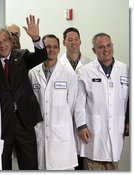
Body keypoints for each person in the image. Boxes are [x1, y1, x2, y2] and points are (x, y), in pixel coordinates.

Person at [0, 15, 47, 170]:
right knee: (2, 164)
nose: (2, 45)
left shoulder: (22, 56)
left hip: (24, 120)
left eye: (5, 40)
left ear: (11, 42)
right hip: (2, 122)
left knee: (29, 164)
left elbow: (41, 56)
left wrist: (36, 38)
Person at [74, 33, 129, 170]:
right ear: (94, 50)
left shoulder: (125, 70)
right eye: (101, 47)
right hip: (93, 133)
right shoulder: (85, 72)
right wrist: (81, 126)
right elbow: (78, 104)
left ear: (112, 46)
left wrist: (128, 120)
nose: (106, 50)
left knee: (112, 165)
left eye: (108, 45)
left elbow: (129, 100)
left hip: (116, 132)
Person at [29, 34, 78, 170]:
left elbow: (72, 105)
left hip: (61, 133)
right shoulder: (33, 73)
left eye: (55, 47)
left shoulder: (69, 74)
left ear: (59, 49)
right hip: (40, 131)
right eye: (48, 47)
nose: (51, 50)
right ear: (42, 49)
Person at [59, 27, 92, 170]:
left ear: (80, 41)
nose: (73, 43)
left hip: (85, 120)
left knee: (83, 160)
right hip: (63, 119)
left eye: (76, 39)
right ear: (64, 42)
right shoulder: (57, 65)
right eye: (69, 39)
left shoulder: (91, 64)